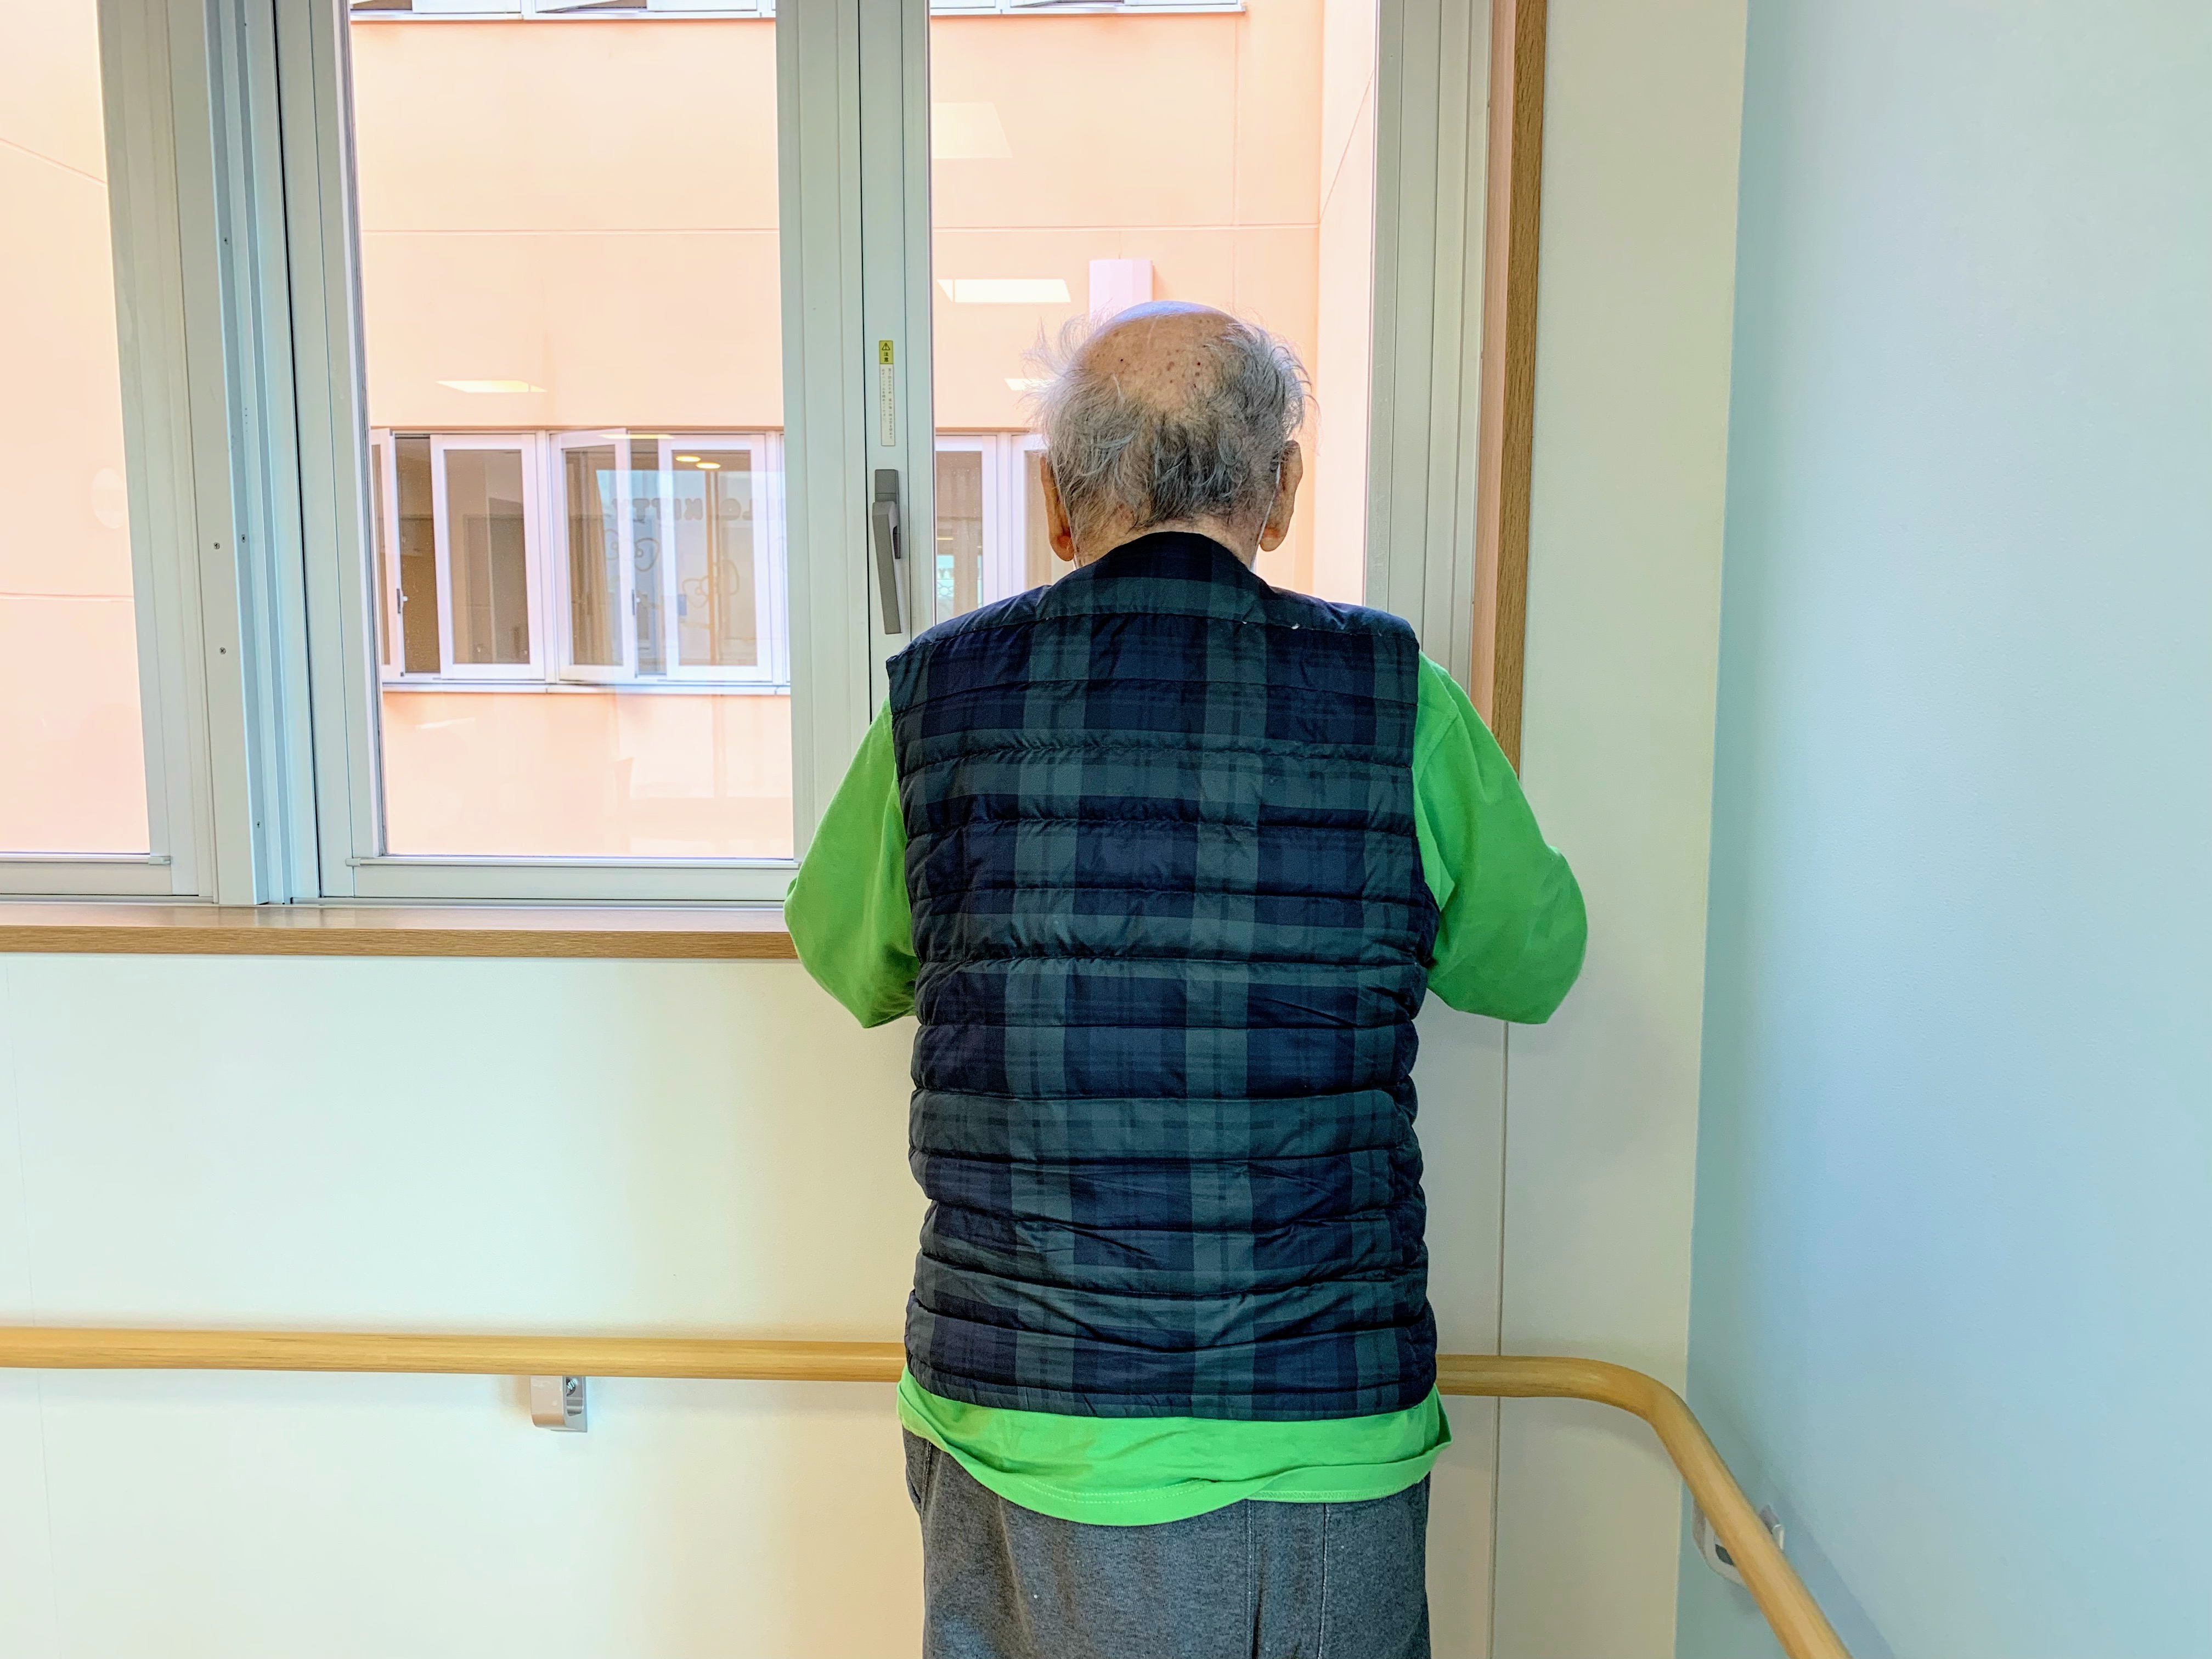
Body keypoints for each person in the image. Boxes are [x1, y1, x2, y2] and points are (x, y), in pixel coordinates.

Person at [786, 302, 1585, 1659]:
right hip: (1325, 1418)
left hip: (1028, 1416)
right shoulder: (1398, 697)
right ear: (1280, 493)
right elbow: (1533, 961)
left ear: (1056, 504)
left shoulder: (937, 701)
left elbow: (847, 959)